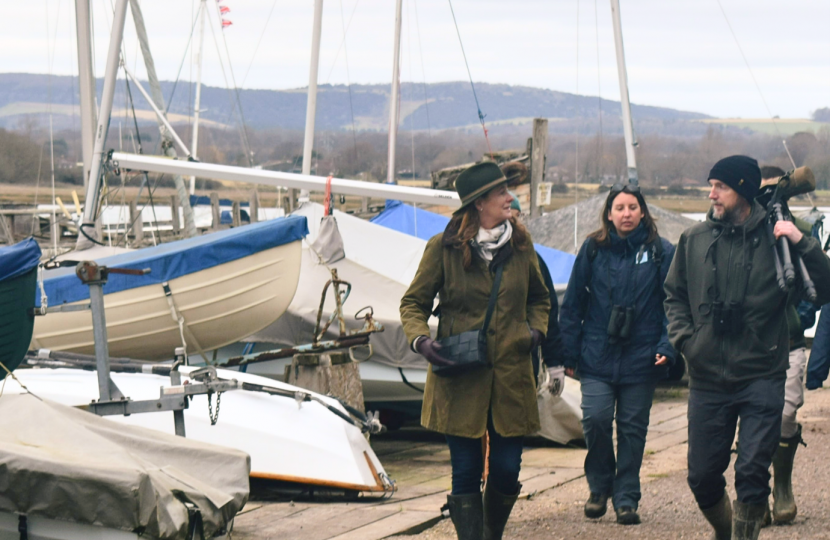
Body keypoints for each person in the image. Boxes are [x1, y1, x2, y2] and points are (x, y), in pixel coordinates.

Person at [664, 155, 830, 540]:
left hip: (762, 372)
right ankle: (727, 532)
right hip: (707, 375)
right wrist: (687, 341)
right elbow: (674, 295)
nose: (711, 194)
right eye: (711, 186)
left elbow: (824, 291)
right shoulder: (695, 238)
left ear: (742, 190)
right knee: (702, 477)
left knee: (753, 474)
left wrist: (802, 242)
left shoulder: (778, 238)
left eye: (719, 187)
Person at [400, 162, 551, 540]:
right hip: (459, 374)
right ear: (480, 202)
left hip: (511, 377)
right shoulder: (443, 248)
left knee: (507, 468)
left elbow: (540, 298)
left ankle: (491, 533)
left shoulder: (520, 244)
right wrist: (422, 341)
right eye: (502, 193)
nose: (509, 198)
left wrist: (533, 332)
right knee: (465, 471)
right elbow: (413, 303)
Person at [559, 183, 675, 525]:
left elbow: (675, 305)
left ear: (643, 212)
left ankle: (626, 498)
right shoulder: (593, 250)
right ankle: (599, 486)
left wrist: (667, 346)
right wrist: (569, 353)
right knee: (594, 420)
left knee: (632, 430)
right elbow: (573, 304)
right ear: (609, 213)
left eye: (632, 208)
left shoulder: (661, 252)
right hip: (597, 353)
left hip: (642, 355)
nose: (626, 214)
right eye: (620, 208)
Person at [756, 165, 819, 525]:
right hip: (749, 341)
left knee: (785, 413)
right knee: (754, 418)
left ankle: (782, 485)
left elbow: (819, 278)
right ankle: (755, 492)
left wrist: (802, 315)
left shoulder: (802, 230)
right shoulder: (741, 228)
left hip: (790, 337)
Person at [508, 192, 567, 392]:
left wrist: (555, 363)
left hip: (523, 357)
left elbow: (546, 307)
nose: (512, 222)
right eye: (508, 215)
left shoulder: (530, 258)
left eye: (517, 217)